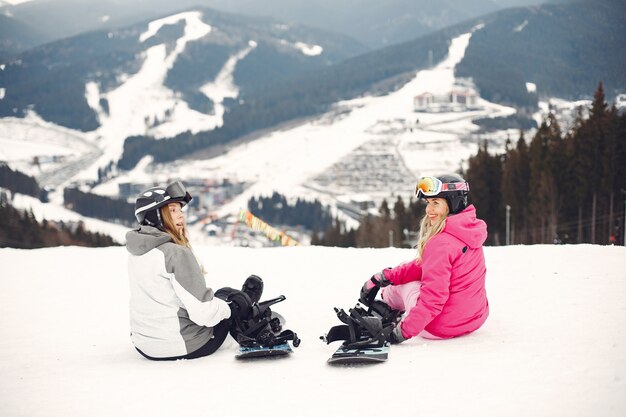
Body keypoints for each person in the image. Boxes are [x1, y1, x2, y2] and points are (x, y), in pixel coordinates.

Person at [125, 180, 264, 360]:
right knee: (228, 297)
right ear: (156, 216)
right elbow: (204, 315)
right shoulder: (176, 254)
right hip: (185, 345)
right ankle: (246, 308)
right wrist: (232, 308)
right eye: (173, 210)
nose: (181, 216)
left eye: (180, 210)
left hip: (144, 345)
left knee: (218, 298)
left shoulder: (137, 252)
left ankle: (238, 303)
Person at [360, 173, 489, 343]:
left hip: (439, 327)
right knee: (404, 276)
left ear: (452, 203)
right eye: (428, 203)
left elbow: (433, 299)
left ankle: (387, 309)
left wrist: (401, 333)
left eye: (436, 203)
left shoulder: (440, 243)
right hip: (475, 318)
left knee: (403, 286)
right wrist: (384, 276)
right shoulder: (470, 231)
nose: (428, 210)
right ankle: (390, 301)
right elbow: (426, 266)